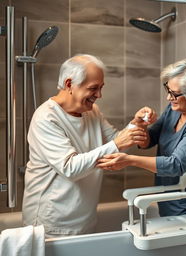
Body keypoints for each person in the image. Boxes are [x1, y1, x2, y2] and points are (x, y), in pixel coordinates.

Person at [22, 54, 156, 238]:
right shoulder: (46, 118)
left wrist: (136, 124)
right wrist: (117, 143)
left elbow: (116, 140)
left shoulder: (92, 111)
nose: (99, 95)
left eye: (101, 88)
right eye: (93, 88)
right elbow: (70, 168)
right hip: (51, 222)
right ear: (69, 84)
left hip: (84, 218)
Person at [97, 59, 186, 223]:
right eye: (168, 89)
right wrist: (140, 124)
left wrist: (129, 160)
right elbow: (149, 140)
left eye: (175, 94)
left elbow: (175, 165)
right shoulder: (174, 110)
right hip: (168, 202)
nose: (168, 97)